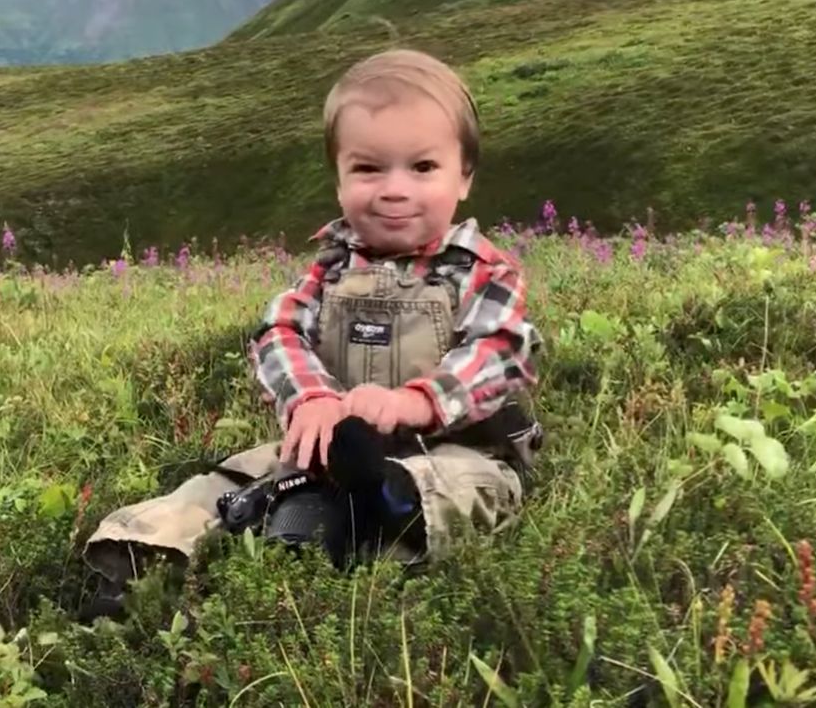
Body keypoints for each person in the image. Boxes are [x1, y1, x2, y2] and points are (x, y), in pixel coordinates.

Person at [79, 48, 545, 621]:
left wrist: (413, 403)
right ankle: (139, 562)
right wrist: (313, 400)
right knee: (229, 480)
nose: (395, 189)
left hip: (449, 448)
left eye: (422, 168)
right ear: (340, 178)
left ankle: (379, 503)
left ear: (464, 177)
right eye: (369, 168)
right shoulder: (329, 268)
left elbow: (499, 353)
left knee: (465, 489)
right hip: (330, 444)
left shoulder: (484, 272)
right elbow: (279, 332)